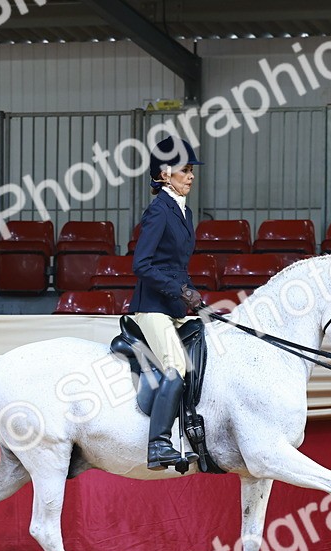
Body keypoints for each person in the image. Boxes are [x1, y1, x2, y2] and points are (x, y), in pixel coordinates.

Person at [128, 137, 205, 471]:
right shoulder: (159, 210)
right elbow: (142, 265)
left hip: (173, 308)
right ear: (164, 175)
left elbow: (174, 265)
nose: (190, 176)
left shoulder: (183, 210)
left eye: (191, 171)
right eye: (184, 171)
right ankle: (158, 444)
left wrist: (190, 294)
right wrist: (180, 290)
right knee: (176, 368)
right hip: (152, 308)